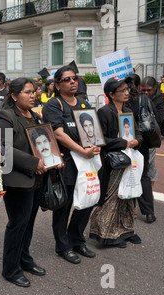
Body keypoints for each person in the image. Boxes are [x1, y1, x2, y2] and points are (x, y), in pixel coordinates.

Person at [0, 77, 52, 288]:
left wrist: (53, 158)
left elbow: (43, 143)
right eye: (28, 92)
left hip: (36, 179)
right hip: (17, 180)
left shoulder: (35, 116)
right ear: (14, 95)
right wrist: (32, 162)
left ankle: (24, 259)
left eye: (34, 91)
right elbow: (0, 147)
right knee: (17, 225)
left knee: (28, 224)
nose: (33, 95)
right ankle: (10, 269)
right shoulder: (6, 116)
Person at [42, 65, 100, 264]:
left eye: (74, 78)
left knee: (87, 200)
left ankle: (77, 240)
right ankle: (63, 246)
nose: (72, 82)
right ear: (57, 85)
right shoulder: (53, 105)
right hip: (67, 162)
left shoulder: (83, 103)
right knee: (64, 206)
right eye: (66, 79)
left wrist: (95, 146)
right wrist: (81, 150)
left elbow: (93, 131)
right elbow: (58, 133)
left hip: (87, 161)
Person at [91, 77, 143, 247]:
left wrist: (137, 141)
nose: (127, 92)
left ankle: (126, 231)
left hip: (129, 159)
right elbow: (100, 138)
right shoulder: (105, 112)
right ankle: (107, 234)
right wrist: (123, 143)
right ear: (111, 94)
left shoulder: (128, 111)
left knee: (128, 197)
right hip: (113, 162)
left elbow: (137, 132)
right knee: (111, 197)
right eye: (122, 90)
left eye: (127, 89)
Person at [126, 73, 157, 224]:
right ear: (139, 86)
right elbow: (154, 116)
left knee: (127, 173)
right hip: (142, 142)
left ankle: (129, 210)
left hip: (126, 142)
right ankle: (149, 212)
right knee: (144, 176)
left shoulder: (123, 100)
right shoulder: (143, 99)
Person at [141, 76, 164, 190]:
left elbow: (159, 119)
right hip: (140, 136)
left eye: (149, 90)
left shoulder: (160, 100)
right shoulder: (140, 97)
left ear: (155, 88)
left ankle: (148, 192)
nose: (146, 92)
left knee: (148, 165)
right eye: (143, 90)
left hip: (151, 137)